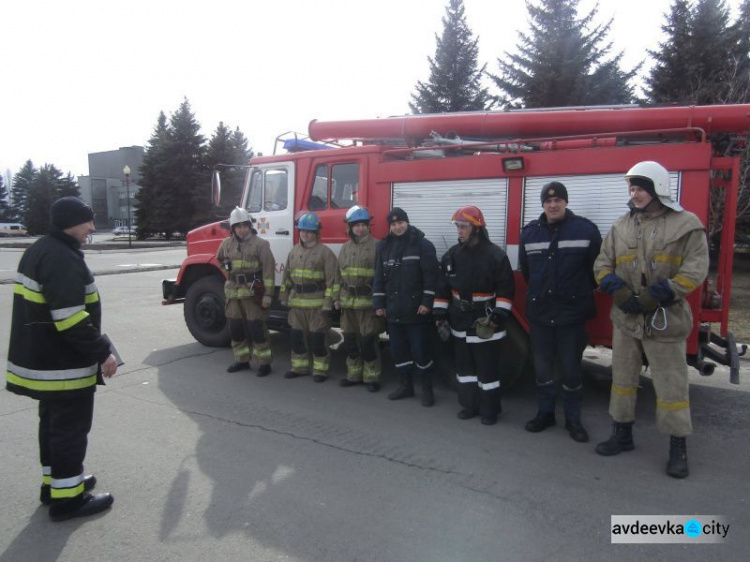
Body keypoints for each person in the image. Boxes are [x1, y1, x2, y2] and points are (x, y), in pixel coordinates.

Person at [593, 161, 709, 478]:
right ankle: (622, 434)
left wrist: (661, 293)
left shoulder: (686, 225)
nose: (635, 193)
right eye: (631, 187)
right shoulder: (621, 226)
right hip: (627, 319)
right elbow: (602, 264)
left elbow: (696, 269)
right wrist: (615, 289)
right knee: (623, 380)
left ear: (658, 188)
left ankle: (678, 448)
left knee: (672, 387)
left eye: (640, 187)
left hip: (665, 319)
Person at [6, 197, 117, 522]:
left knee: (53, 426)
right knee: (70, 429)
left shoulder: (41, 249)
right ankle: (68, 501)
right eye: (88, 221)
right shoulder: (61, 258)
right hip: (63, 367)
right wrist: (103, 352)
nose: (92, 228)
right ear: (71, 222)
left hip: (46, 363)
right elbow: (69, 319)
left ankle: (54, 485)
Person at [519, 182, 602, 442]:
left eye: (558, 201)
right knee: (542, 369)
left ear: (565, 202)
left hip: (571, 314)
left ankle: (573, 419)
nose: (553, 205)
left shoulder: (586, 230)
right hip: (541, 313)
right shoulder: (529, 233)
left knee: (571, 370)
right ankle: (545, 414)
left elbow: (596, 271)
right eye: (547, 201)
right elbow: (527, 271)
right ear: (542, 204)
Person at [434, 206, 515, 425]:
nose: (459, 231)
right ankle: (469, 405)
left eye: (464, 227)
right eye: (458, 227)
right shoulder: (451, 255)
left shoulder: (495, 256)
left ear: (477, 228)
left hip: (485, 321)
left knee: (487, 370)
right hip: (458, 319)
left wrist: (498, 315)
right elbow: (442, 288)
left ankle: (489, 410)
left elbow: (506, 289)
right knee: (465, 369)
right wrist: (440, 313)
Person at [373, 208, 439, 407]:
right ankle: (406, 386)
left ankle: (427, 389)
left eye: (400, 222)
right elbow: (378, 278)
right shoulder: (384, 247)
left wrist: (427, 303)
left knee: (420, 353)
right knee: (398, 352)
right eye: (393, 224)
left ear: (407, 222)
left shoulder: (423, 245)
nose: (397, 227)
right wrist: (379, 304)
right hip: (393, 311)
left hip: (416, 311)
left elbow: (431, 277)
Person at [279, 211, 338, 382]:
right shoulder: (294, 252)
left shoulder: (325, 253)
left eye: (309, 231)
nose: (305, 234)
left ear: (316, 233)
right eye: (302, 231)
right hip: (297, 305)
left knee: (318, 340)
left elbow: (332, 281)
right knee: (297, 338)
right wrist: (283, 296)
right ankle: (299, 367)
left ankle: (320, 370)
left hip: (317, 306)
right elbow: (286, 277)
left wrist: (328, 303)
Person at [216, 207, 276, 376]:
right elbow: (219, 259)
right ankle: (241, 361)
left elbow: (269, 271)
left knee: (256, 329)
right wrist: (227, 269)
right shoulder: (226, 244)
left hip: (253, 294)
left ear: (250, 226)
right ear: (233, 228)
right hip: (234, 294)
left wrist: (268, 294)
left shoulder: (261, 244)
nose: (242, 229)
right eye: (238, 226)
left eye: (245, 226)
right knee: (235, 329)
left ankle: (264, 364)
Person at [334, 206, 385, 392]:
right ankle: (353, 375)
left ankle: (372, 378)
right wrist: (336, 298)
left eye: (364, 225)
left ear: (368, 226)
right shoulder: (345, 248)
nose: (360, 228)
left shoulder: (378, 246)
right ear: (350, 227)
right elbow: (338, 275)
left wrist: (380, 303)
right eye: (357, 225)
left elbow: (382, 277)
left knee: (368, 342)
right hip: (348, 304)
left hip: (368, 304)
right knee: (350, 341)